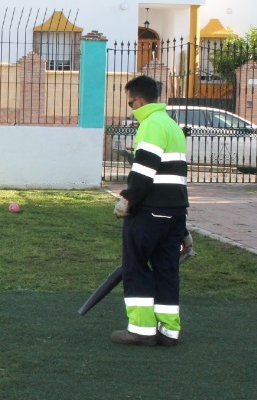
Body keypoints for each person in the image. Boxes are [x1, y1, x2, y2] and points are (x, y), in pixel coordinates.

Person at [112, 75, 189, 347]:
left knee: (135, 266)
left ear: (140, 100)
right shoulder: (171, 125)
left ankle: (141, 329)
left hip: (151, 211)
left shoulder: (150, 125)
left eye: (130, 102)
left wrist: (127, 200)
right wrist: (183, 227)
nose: (130, 107)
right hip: (175, 211)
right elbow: (174, 176)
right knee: (167, 269)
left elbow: (144, 171)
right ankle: (169, 330)